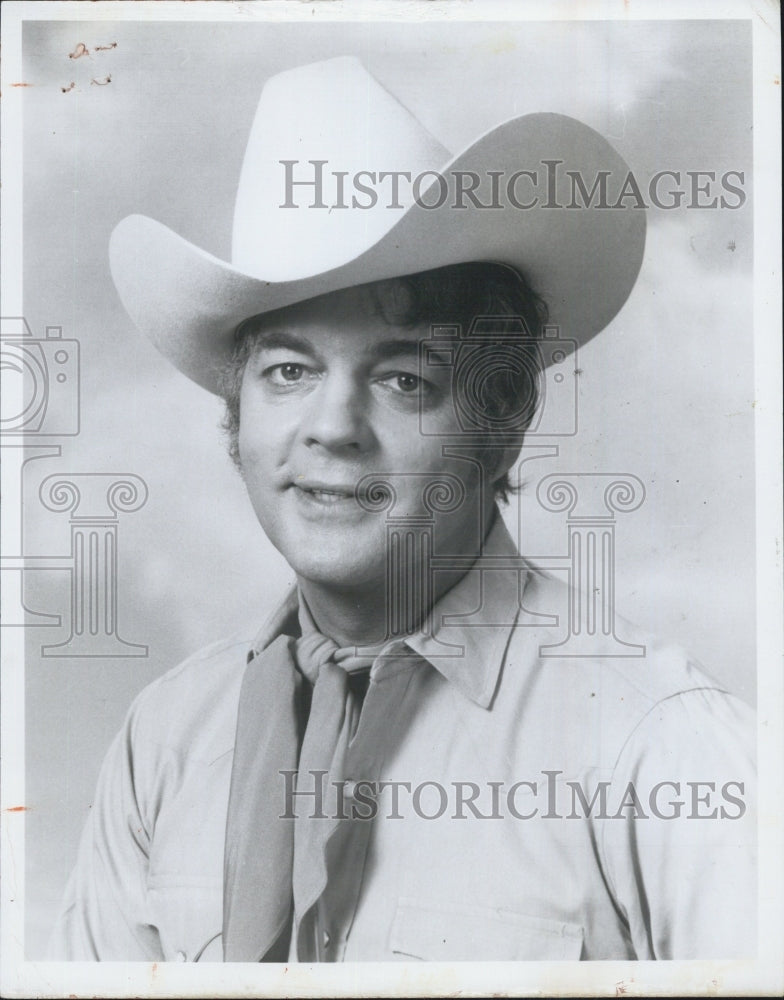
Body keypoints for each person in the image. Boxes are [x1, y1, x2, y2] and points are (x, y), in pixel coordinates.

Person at [49, 56, 755, 963]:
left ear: (500, 425)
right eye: (289, 372)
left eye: (403, 379)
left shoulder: (660, 746)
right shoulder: (165, 741)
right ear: (236, 418)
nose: (332, 430)